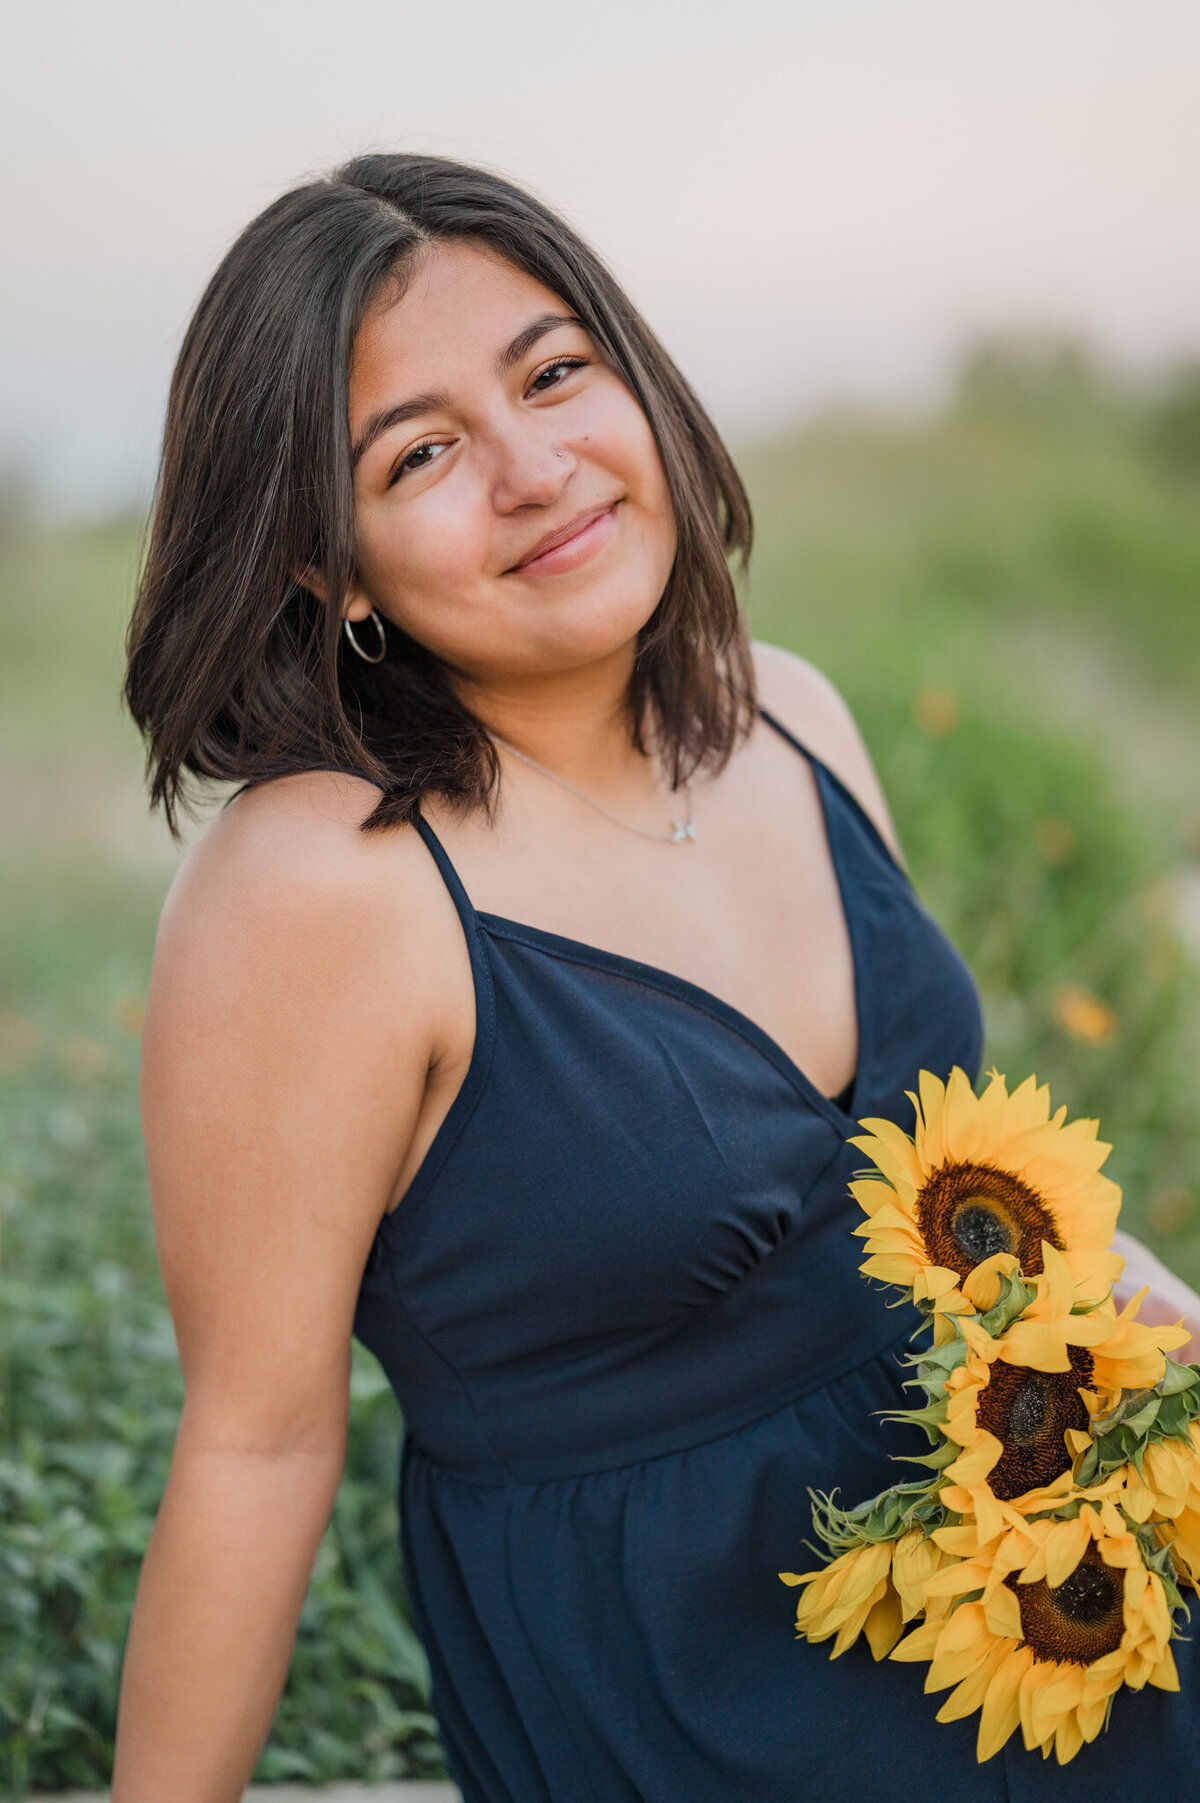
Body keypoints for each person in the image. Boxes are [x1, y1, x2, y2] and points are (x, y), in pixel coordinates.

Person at [114, 153, 1200, 1802]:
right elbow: (256, 1448)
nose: (538, 468)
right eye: (422, 454)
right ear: (327, 569)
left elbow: (920, 1204)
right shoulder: (317, 887)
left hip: (1060, 1618)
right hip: (707, 1713)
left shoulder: (792, 714)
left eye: (555, 373)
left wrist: (1146, 1306)